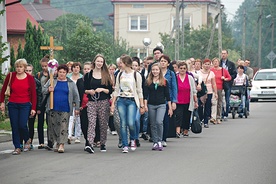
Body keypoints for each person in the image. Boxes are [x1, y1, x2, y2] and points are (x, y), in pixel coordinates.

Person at [0, 59, 37, 155]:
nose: (19, 69)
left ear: (24, 68)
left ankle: (27, 139)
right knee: (14, 126)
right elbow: (3, 90)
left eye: (21, 67)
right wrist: (2, 102)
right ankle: (17, 147)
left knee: (22, 124)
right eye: (17, 67)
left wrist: (33, 108)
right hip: (13, 104)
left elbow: (33, 94)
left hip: (25, 104)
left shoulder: (29, 78)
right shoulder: (10, 76)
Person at [110, 55, 145, 153]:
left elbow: (139, 90)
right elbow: (116, 89)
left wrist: (142, 105)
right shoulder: (120, 74)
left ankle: (133, 139)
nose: (120, 64)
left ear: (126, 63)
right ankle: (125, 144)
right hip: (121, 100)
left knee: (131, 122)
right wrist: (113, 104)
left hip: (132, 100)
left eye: (121, 62)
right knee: (123, 123)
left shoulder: (136, 75)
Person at [43, 64, 80, 153]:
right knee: (54, 126)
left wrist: (77, 108)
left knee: (63, 126)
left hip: (65, 107)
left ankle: (62, 144)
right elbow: (43, 90)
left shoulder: (70, 83)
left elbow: (76, 96)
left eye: (64, 72)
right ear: (57, 72)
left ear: (67, 73)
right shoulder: (52, 81)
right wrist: (48, 90)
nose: (62, 74)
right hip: (53, 107)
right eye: (60, 72)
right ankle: (57, 142)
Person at [84, 54, 113, 153]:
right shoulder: (88, 75)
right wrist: (89, 91)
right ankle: (90, 144)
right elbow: (84, 89)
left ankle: (103, 143)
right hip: (92, 101)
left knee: (103, 123)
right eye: (98, 61)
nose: (99, 63)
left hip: (103, 101)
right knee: (91, 123)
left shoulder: (106, 75)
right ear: (94, 62)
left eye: (101, 61)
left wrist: (102, 89)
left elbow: (110, 90)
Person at [144, 63, 173, 151]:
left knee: (159, 121)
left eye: (157, 70)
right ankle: (155, 141)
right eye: (153, 70)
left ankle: (160, 140)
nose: (155, 71)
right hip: (151, 104)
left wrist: (170, 107)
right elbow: (146, 95)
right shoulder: (148, 81)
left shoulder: (164, 81)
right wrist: (145, 105)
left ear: (160, 70)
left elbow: (167, 95)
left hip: (161, 104)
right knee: (152, 124)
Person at [20, 64, 42, 150]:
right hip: (23, 103)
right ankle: (21, 141)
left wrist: (38, 107)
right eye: (26, 71)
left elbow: (39, 95)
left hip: (32, 105)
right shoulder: (21, 80)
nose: (28, 72)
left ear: (32, 71)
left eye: (30, 71)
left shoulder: (36, 82)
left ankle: (30, 141)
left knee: (31, 124)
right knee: (22, 124)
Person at [174, 61, 198, 137]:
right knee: (178, 116)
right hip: (178, 101)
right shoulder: (175, 77)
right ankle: (177, 130)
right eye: (181, 68)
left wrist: (195, 101)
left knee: (187, 116)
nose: (182, 70)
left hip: (188, 100)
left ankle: (185, 130)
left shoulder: (190, 78)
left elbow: (194, 90)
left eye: (184, 68)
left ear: (186, 69)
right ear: (178, 69)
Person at [159, 55, 177, 146]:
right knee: (157, 121)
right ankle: (157, 138)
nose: (162, 63)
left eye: (164, 61)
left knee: (165, 119)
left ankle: (163, 138)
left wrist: (174, 101)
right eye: (161, 61)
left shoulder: (171, 74)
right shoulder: (155, 72)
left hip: (167, 100)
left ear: (168, 63)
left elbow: (174, 88)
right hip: (157, 99)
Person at [76, 62, 92, 150]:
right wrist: (78, 106)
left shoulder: (94, 80)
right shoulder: (79, 81)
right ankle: (87, 138)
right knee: (84, 124)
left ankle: (89, 141)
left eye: (88, 69)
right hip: (83, 106)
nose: (86, 70)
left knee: (92, 123)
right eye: (85, 69)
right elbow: (77, 94)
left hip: (92, 104)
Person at [35, 55, 50, 149]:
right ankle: (41, 142)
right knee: (40, 121)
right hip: (40, 100)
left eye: (46, 66)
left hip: (48, 99)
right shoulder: (39, 75)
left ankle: (50, 140)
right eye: (43, 66)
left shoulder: (52, 75)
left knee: (49, 121)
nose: (44, 68)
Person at [211, 58, 231, 124]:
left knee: (219, 103)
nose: (215, 63)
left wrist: (224, 78)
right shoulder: (211, 70)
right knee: (213, 103)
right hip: (212, 88)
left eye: (216, 62)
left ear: (219, 62)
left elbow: (229, 77)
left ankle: (218, 117)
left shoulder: (223, 70)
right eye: (214, 62)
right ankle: (212, 117)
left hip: (219, 88)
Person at [198, 59, 217, 128]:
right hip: (201, 92)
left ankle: (206, 121)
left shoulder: (212, 73)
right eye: (205, 64)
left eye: (208, 64)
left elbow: (214, 83)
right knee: (199, 106)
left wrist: (216, 93)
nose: (207, 66)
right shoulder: (199, 72)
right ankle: (200, 119)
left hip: (209, 91)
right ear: (202, 65)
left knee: (207, 106)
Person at [67, 62, 83, 144]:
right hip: (69, 100)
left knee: (78, 119)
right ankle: (69, 135)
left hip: (79, 100)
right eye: (74, 67)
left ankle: (77, 136)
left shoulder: (82, 78)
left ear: (80, 69)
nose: (76, 69)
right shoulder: (68, 78)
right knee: (70, 118)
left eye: (77, 67)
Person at [220, 50, 237, 121]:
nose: (223, 55)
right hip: (219, 84)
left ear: (227, 54)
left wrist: (229, 79)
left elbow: (234, 74)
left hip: (228, 84)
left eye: (224, 53)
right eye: (222, 53)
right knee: (220, 100)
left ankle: (226, 114)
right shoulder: (218, 63)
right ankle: (221, 113)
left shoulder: (231, 64)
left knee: (227, 99)